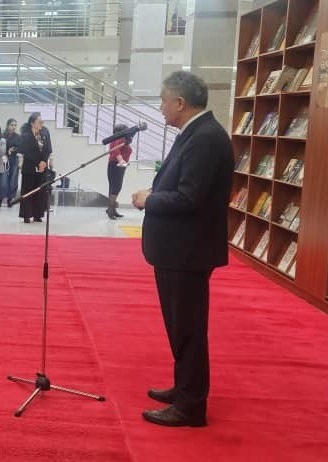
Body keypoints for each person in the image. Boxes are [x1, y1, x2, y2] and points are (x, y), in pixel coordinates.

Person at [131, 71, 234, 427]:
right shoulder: (194, 133)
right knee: (180, 326)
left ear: (180, 102)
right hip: (178, 249)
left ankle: (191, 405)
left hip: (187, 251)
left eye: (163, 100)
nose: (160, 107)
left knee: (188, 328)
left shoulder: (205, 138)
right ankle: (184, 387)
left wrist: (149, 199)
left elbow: (189, 197)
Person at [18, 112, 52, 223]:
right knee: (28, 190)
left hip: (42, 167)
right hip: (30, 166)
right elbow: (25, 151)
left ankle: (38, 214)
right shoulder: (26, 135)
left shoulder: (45, 133)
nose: (41, 123)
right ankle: (27, 214)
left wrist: (44, 162)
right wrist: (38, 162)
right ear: (32, 123)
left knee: (40, 191)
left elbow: (48, 149)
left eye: (42, 121)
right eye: (39, 121)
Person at [106, 123, 133, 219]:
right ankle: (111, 210)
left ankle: (112, 209)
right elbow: (115, 150)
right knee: (116, 187)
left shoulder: (115, 139)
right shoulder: (120, 139)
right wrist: (121, 160)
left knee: (113, 187)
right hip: (117, 164)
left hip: (114, 164)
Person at [0, 118, 20, 207]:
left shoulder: (18, 137)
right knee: (3, 181)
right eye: (11, 125)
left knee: (13, 181)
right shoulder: (2, 136)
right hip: (3, 160)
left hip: (14, 160)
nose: (13, 127)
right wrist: (6, 152)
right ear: (7, 126)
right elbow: (0, 147)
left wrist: (14, 149)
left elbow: (21, 147)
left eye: (15, 125)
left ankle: (10, 199)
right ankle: (0, 198)